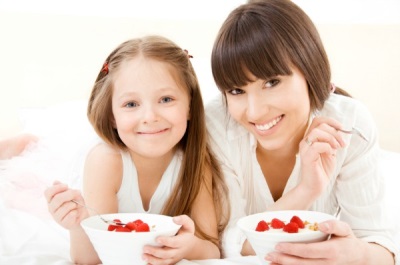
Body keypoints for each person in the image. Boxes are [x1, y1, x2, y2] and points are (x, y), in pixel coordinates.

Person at [206, 0, 398, 264]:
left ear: (311, 72)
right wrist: (305, 191)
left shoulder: (350, 124)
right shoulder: (216, 124)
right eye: (237, 91)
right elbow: (228, 244)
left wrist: (355, 253)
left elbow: (381, 248)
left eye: (272, 82)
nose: (254, 112)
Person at [44, 35, 228, 265]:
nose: (150, 117)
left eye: (166, 99)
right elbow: (89, 259)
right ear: (111, 116)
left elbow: (211, 250)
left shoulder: (195, 163)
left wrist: (189, 246)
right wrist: (76, 227)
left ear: (190, 105)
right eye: (131, 104)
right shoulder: (105, 162)